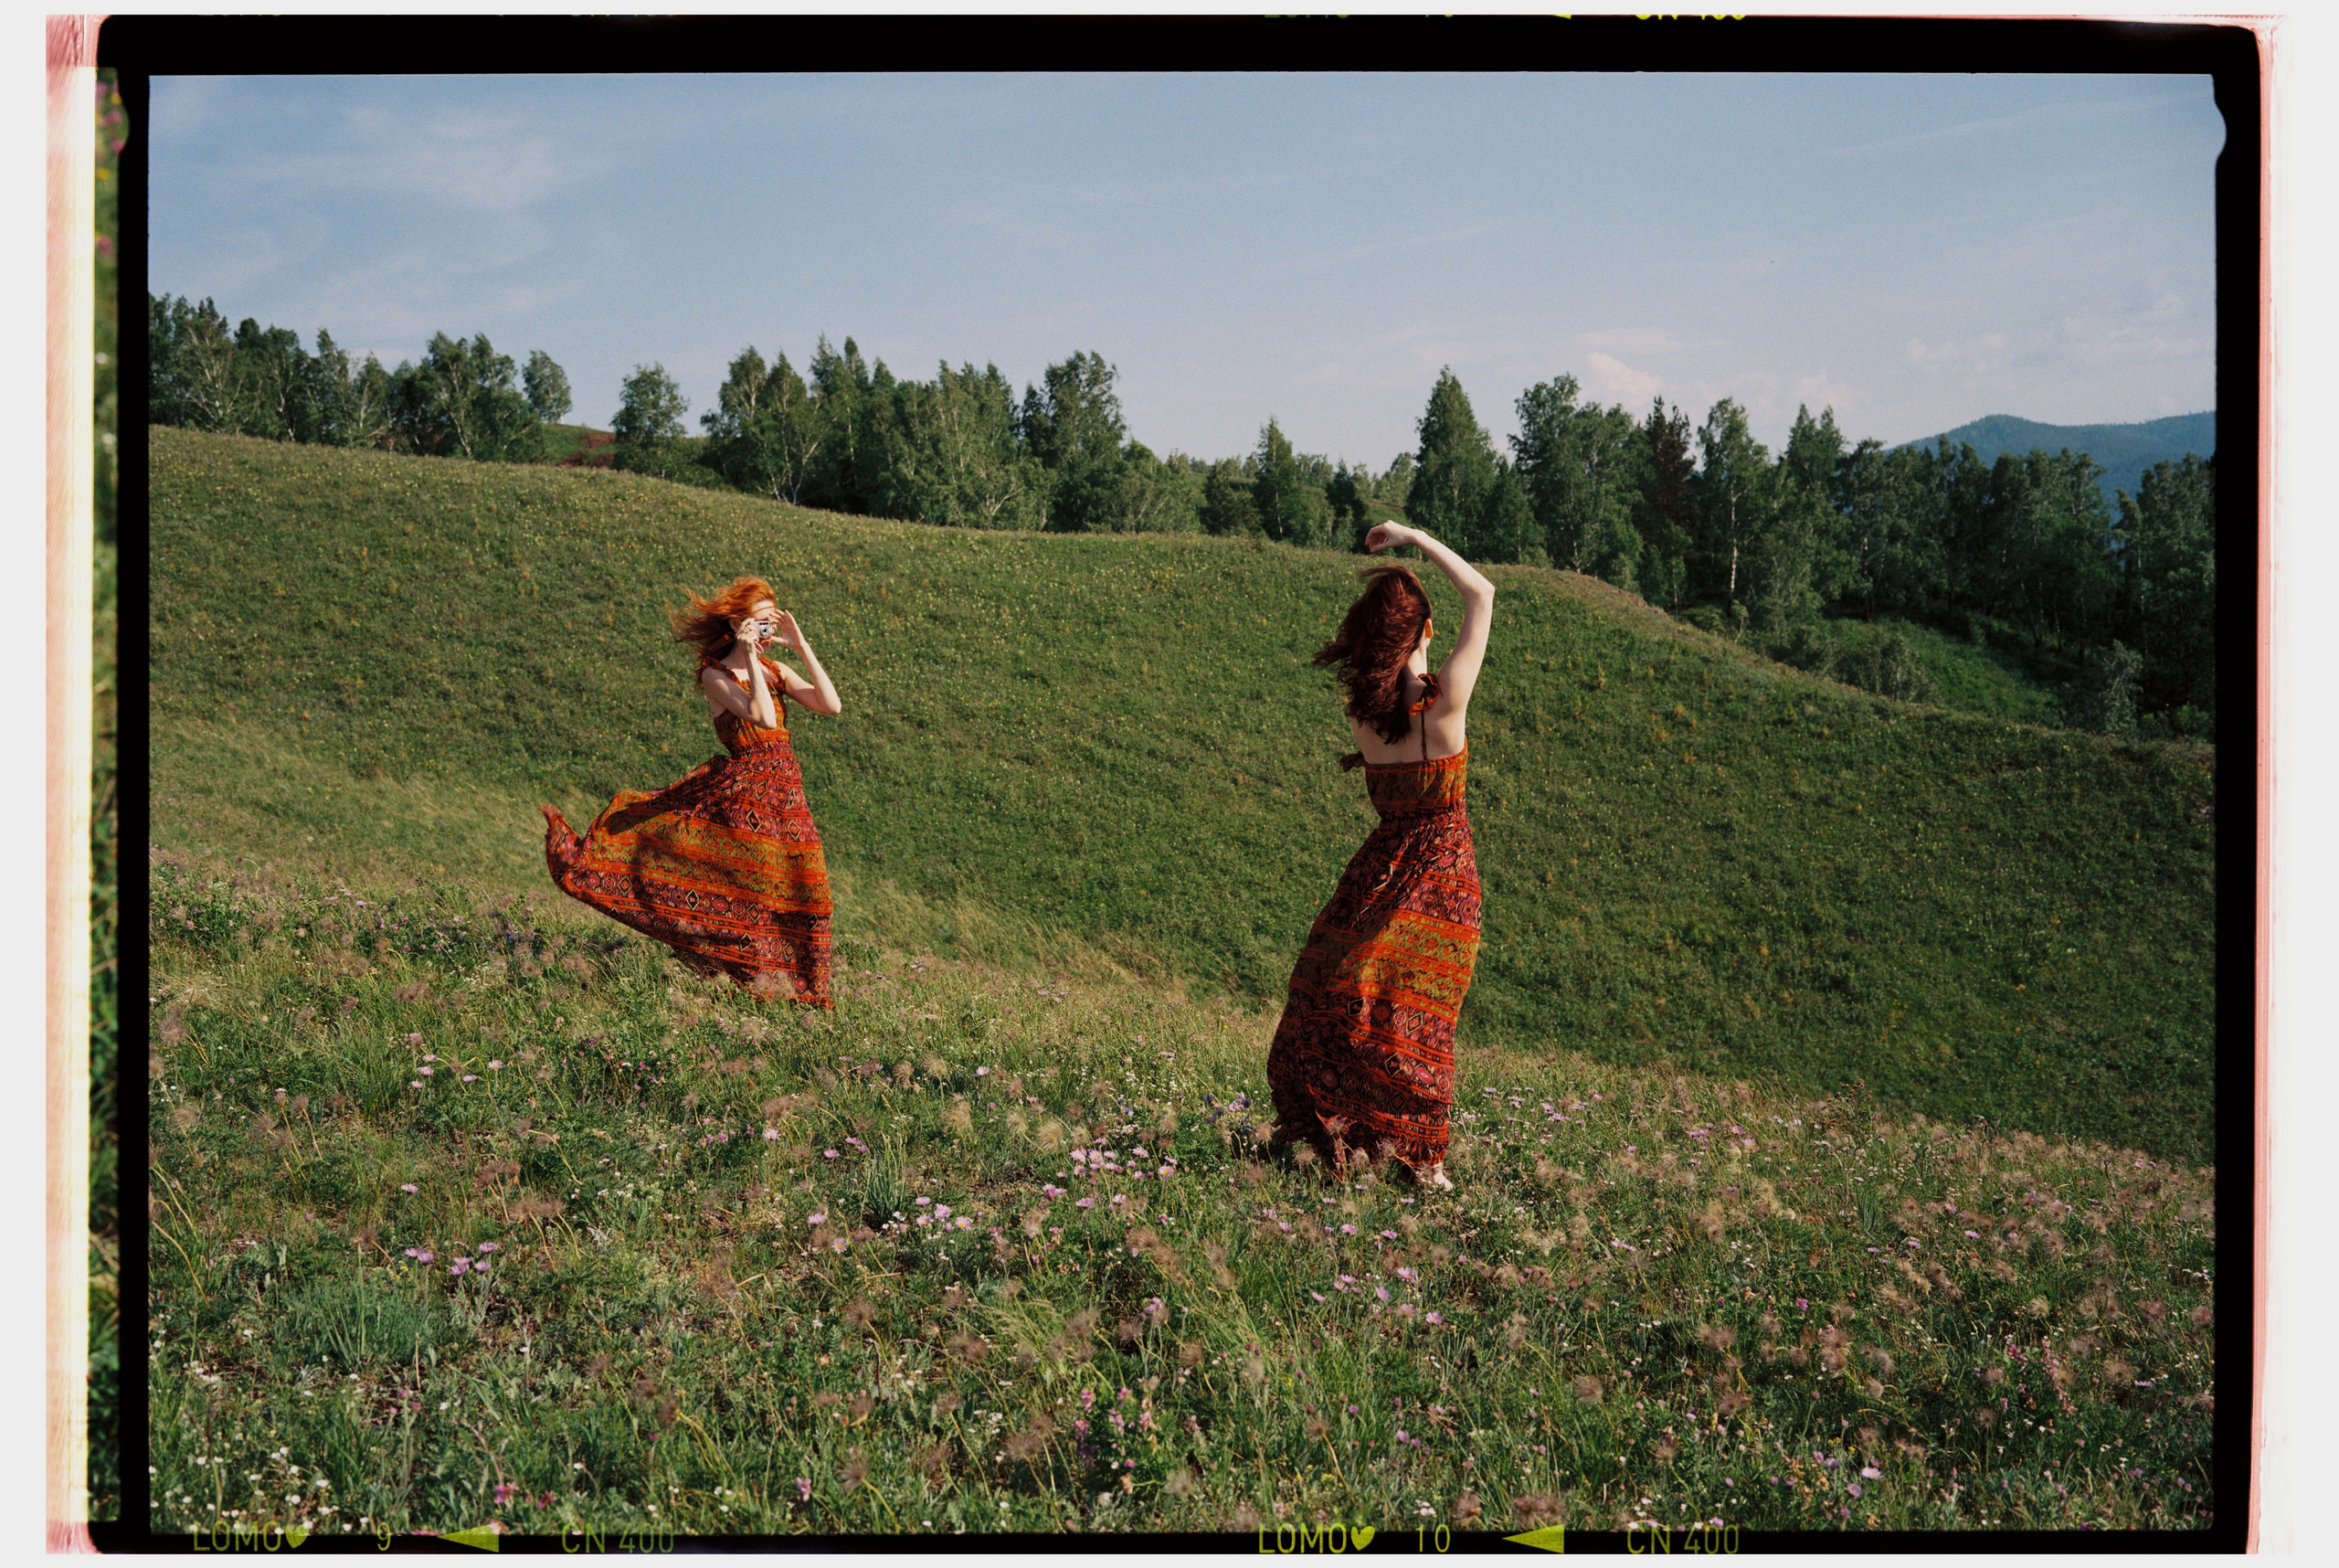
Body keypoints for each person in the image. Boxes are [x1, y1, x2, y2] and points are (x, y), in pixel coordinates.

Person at [1265, 524, 1494, 1188]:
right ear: (1423, 631)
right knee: (1420, 1014)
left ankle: (1347, 1134)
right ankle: (1423, 1162)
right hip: (1445, 874)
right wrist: (1415, 538)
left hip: (1380, 866)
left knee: (1348, 991)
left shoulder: (1363, 717)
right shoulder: (1445, 701)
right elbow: (1482, 592)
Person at [539, 576, 842, 1003]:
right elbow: (763, 718)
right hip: (746, 796)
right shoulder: (715, 676)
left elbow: (832, 705)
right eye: (759, 624)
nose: (766, 634)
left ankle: (800, 988)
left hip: (788, 800)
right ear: (738, 623)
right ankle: (751, 982)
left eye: (770, 626)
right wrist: (750, 657)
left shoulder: (778, 671)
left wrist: (802, 644)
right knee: (745, 897)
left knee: (807, 890)